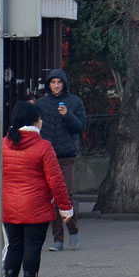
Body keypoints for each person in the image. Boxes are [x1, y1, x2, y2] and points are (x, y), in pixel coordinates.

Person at [0, 101, 74, 277]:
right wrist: (66, 208)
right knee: (32, 249)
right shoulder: (43, 146)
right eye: (40, 119)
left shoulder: (2, 144)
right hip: (36, 207)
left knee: (14, 247)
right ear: (35, 121)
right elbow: (56, 181)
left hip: (9, 207)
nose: (42, 122)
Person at [36, 69, 86, 250]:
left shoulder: (74, 102)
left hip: (66, 155)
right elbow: (35, 126)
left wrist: (67, 115)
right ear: (48, 85)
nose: (56, 86)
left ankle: (73, 229)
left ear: (64, 84)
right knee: (51, 197)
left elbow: (80, 127)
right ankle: (58, 239)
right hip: (48, 156)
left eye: (59, 82)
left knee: (65, 194)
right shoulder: (41, 103)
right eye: (53, 82)